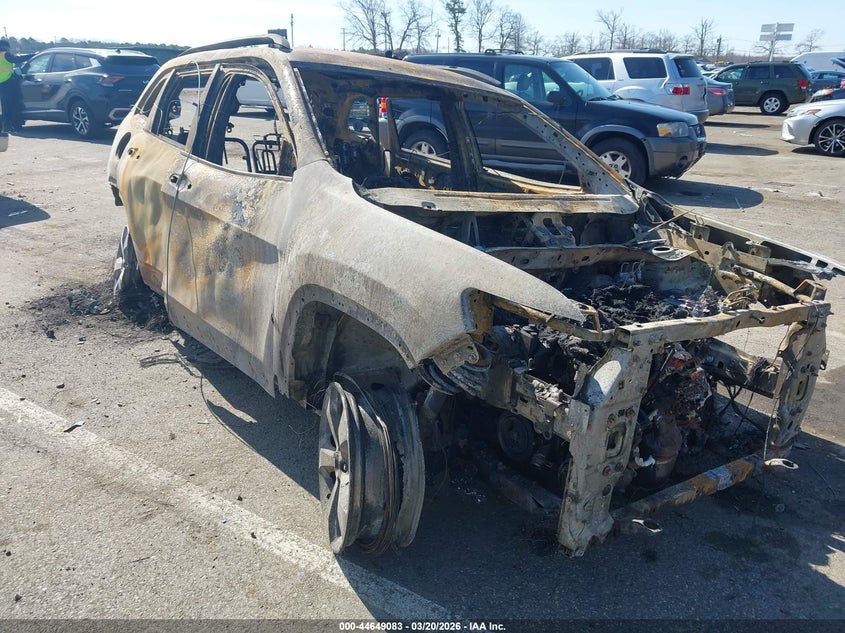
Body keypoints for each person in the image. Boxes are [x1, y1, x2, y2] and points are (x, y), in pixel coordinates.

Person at [0, 39, 33, 132]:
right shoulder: (5, 54)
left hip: (1, 83)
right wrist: (33, 55)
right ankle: (13, 125)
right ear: (5, 47)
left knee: (5, 106)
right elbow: (17, 59)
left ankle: (6, 127)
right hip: (8, 82)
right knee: (12, 104)